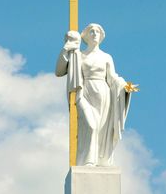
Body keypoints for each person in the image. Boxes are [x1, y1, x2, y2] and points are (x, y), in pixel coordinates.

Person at [55, 23, 138, 166]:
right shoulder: (78, 55)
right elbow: (59, 71)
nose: (94, 34)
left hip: (104, 95)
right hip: (85, 92)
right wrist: (65, 50)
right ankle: (88, 161)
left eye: (97, 31)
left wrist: (124, 86)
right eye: (91, 31)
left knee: (101, 130)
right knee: (90, 126)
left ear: (101, 36)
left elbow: (112, 77)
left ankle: (98, 160)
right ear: (86, 36)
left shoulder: (106, 57)